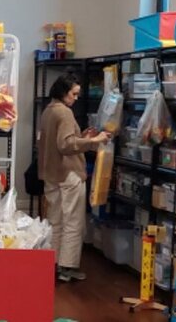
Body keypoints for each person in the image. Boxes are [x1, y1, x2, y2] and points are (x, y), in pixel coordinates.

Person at [37, 73, 110, 283]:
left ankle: (52, 262)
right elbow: (66, 145)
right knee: (73, 222)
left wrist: (83, 138)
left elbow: (60, 141)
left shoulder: (48, 111)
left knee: (55, 220)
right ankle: (67, 267)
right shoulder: (65, 113)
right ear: (63, 92)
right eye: (74, 94)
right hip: (68, 174)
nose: (76, 98)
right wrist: (96, 139)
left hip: (51, 174)